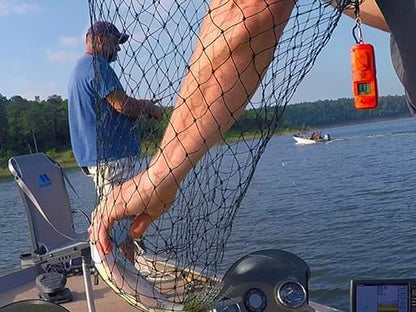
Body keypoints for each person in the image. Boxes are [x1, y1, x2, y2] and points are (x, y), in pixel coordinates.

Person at [89, 0, 416, 257]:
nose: (117, 49)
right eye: (114, 43)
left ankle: (122, 249)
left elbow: (245, 10)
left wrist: (159, 175)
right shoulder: (94, 69)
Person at [68, 21, 163, 196]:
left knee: (120, 211)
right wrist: (149, 108)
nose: (118, 49)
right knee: (131, 209)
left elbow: (110, 107)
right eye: (115, 42)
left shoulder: (80, 67)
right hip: (113, 160)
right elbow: (123, 105)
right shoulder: (97, 65)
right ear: (100, 39)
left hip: (101, 160)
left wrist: (140, 106)